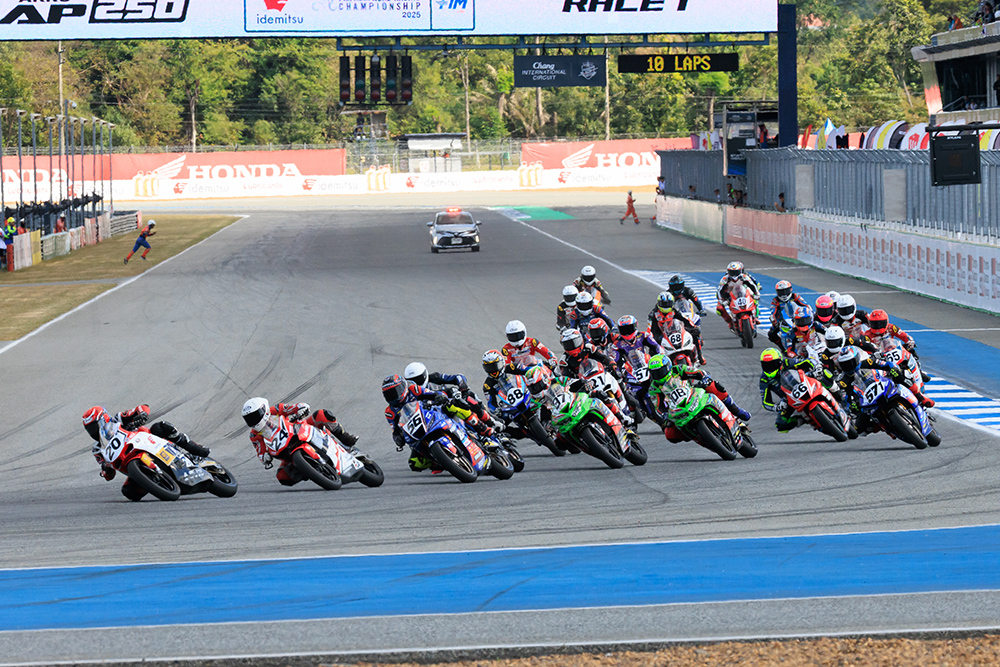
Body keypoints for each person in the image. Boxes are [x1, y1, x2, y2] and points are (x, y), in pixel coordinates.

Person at [83, 404, 210, 501]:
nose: (93, 432)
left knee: (161, 426)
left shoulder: (118, 419)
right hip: (130, 461)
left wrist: (142, 414)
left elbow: (142, 408)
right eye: (90, 429)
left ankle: (193, 450)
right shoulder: (97, 449)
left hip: (148, 442)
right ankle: (157, 482)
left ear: (104, 419)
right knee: (129, 492)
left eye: (94, 426)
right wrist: (105, 470)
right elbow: (109, 475)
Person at [242, 398, 360, 484]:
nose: (252, 421)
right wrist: (264, 458)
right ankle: (311, 470)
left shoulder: (275, 410)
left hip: (299, 431)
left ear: (264, 410)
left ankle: (345, 440)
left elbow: (292, 407)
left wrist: (301, 408)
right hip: (286, 451)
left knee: (322, 414)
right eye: (248, 419)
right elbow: (260, 450)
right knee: (282, 477)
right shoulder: (254, 434)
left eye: (254, 416)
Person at [647, 354, 748, 443]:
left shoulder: (677, 369)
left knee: (713, 385)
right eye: (655, 373)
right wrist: (664, 415)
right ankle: (698, 436)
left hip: (692, 394)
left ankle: (735, 409)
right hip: (677, 409)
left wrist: (704, 377)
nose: (658, 375)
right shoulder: (653, 387)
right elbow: (658, 406)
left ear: (668, 367)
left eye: (660, 371)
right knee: (670, 433)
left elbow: (697, 372)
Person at [403, 361, 497, 437]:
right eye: (412, 381)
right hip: (432, 417)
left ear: (425, 375)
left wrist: (462, 384)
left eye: (418, 380)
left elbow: (458, 377)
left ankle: (489, 423)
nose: (415, 384)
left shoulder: (434, 378)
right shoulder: (408, 394)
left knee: (468, 397)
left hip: (449, 404)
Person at [380, 375, 450, 471]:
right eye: (388, 394)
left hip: (433, 415)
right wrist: (398, 439)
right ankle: (441, 462)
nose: (392, 396)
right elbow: (395, 430)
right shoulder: (390, 412)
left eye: (394, 391)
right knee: (414, 463)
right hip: (417, 433)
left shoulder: (414, 390)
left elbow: (434, 393)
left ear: (403, 387)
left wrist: (439, 397)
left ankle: (472, 425)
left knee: (453, 407)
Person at [866, 309, 931, 383]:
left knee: (911, 351)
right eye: (875, 324)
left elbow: (904, 335)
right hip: (880, 356)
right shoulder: (867, 335)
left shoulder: (891, 328)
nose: (878, 326)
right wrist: (872, 354)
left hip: (894, 350)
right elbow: (864, 348)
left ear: (886, 322)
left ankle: (919, 372)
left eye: (880, 323)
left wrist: (910, 342)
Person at [647, 291, 705, 365]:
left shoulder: (674, 310)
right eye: (664, 304)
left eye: (668, 304)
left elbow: (685, 319)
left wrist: (693, 326)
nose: (666, 306)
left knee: (695, 333)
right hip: (661, 335)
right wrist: (652, 338)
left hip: (675, 331)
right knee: (652, 349)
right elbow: (650, 329)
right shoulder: (652, 315)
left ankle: (700, 356)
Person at [716, 261, 762, 329]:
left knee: (754, 298)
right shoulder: (725, 279)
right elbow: (719, 291)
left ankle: (755, 316)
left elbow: (753, 284)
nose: (734, 275)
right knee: (719, 309)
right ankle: (730, 322)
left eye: (736, 272)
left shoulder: (745, 276)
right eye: (732, 272)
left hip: (743, 293)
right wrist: (722, 299)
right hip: (729, 296)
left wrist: (757, 293)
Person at [767, 280, 812, 348]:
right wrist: (774, 320)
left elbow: (805, 305)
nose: (784, 294)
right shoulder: (775, 300)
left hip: (797, 318)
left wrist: (809, 311)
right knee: (771, 334)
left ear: (790, 290)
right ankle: (782, 347)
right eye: (781, 292)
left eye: (786, 291)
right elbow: (773, 311)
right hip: (782, 321)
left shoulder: (795, 296)